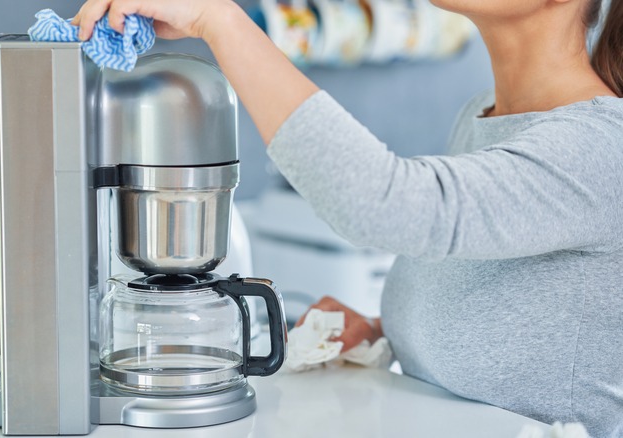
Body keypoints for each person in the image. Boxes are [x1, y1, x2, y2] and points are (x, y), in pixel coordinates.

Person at [73, 0, 623, 436]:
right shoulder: (484, 117)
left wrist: (219, 19)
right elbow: (526, 324)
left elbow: (388, 204)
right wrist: (383, 335)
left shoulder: (601, 148)